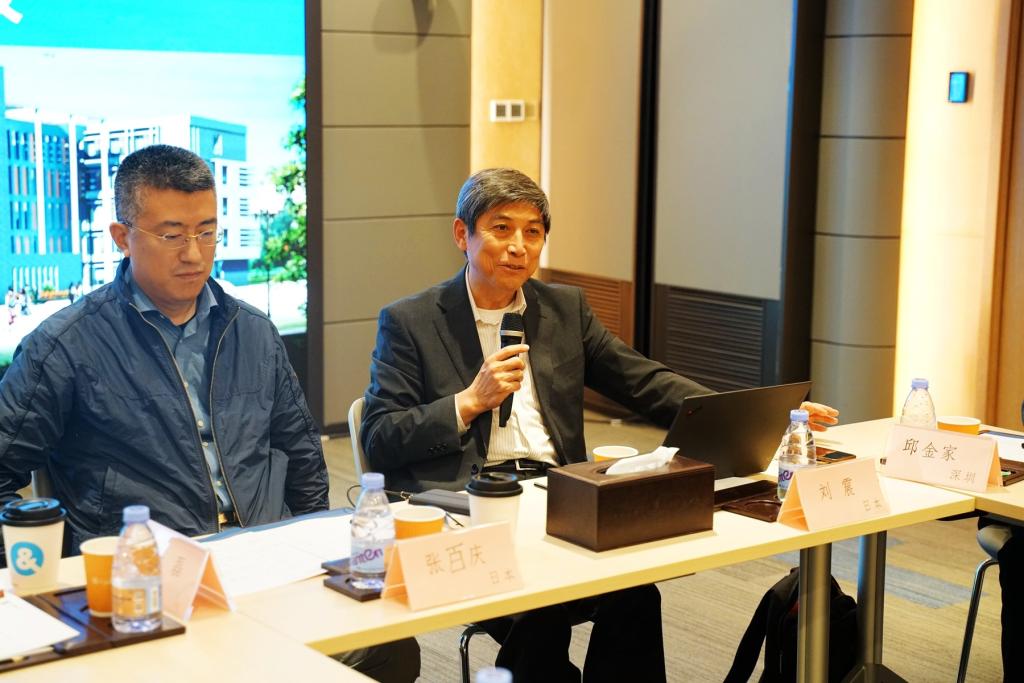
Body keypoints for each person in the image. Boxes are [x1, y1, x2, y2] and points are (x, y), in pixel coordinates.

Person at [361, 168, 838, 682]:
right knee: (540, 605)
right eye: (501, 228)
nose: (518, 246)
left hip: (562, 497)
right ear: (463, 234)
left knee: (636, 593)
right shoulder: (410, 321)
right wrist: (470, 401)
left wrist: (761, 417)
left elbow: (645, 381)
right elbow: (380, 437)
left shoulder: (564, 309)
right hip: (471, 508)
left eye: (532, 232)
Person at [0, 144, 417, 682]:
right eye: (172, 235)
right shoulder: (65, 345)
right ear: (122, 237)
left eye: (207, 232)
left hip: (265, 564)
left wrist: (311, 549)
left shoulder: (253, 331)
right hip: (152, 585)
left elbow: (300, 456)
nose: (194, 254)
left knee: (392, 649)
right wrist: (68, 574)